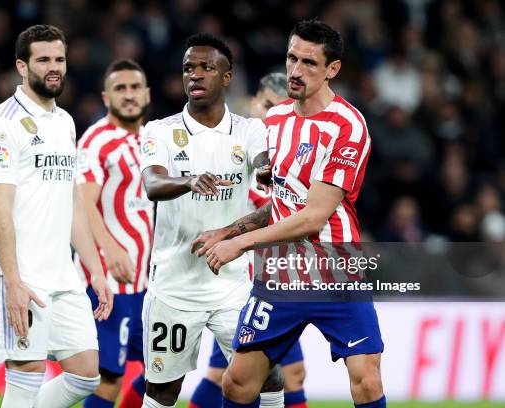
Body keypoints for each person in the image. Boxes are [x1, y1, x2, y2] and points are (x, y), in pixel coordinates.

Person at [194, 20, 386, 408]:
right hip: (280, 275)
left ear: (332, 69)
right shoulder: (276, 119)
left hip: (337, 272)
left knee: (366, 381)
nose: (295, 71)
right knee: (236, 384)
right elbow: (282, 202)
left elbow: (313, 217)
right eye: (291, 58)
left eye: (309, 63)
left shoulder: (348, 126)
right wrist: (229, 231)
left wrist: (240, 245)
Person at [139, 33, 283, 408]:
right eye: (189, 68)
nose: (196, 75)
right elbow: (153, 183)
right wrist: (188, 180)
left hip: (232, 287)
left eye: (206, 67)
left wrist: (265, 171)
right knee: (163, 390)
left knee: (268, 376)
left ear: (227, 77)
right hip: (174, 287)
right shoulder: (161, 131)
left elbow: (261, 161)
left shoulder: (250, 130)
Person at [0, 25, 113, 408]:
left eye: (59, 59)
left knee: (86, 374)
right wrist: (13, 281)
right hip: (22, 274)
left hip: (62, 274)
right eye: (43, 60)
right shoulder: (2, 125)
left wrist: (95, 269)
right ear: (22, 66)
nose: (54, 68)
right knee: (26, 376)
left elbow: (72, 202)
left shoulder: (65, 122)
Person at [190, 73, 308, 408]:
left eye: (281, 109)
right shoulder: (234, 147)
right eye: (268, 105)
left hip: (272, 280)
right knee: (233, 376)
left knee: (286, 373)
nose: (272, 116)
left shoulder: (285, 158)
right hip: (239, 282)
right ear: (255, 102)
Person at [75, 59, 153, 408]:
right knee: (107, 379)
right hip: (107, 279)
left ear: (147, 94)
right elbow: (83, 204)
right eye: (120, 89)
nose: (129, 95)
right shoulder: (97, 140)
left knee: (163, 367)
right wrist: (112, 247)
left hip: (145, 282)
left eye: (135, 87)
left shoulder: (154, 140)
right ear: (106, 98)